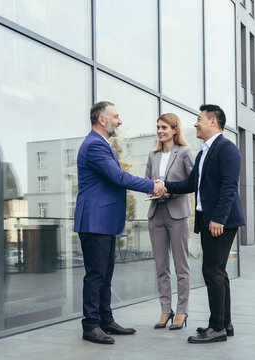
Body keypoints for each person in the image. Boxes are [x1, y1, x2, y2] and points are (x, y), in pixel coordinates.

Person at [74, 101, 166, 345]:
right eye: (116, 116)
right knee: (96, 276)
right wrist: (152, 185)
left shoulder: (101, 144)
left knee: (105, 275)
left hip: (103, 222)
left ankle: (105, 319)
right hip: (94, 222)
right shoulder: (94, 145)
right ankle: (91, 325)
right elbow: (118, 177)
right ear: (102, 120)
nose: (119, 121)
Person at [164, 104, 245, 344]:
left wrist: (218, 218)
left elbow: (229, 186)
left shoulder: (227, 149)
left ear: (212, 121)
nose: (195, 123)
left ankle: (217, 327)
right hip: (210, 220)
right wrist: (163, 185)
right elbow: (190, 184)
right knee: (218, 272)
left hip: (221, 221)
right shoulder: (203, 152)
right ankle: (224, 323)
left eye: (199, 119)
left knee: (212, 271)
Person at [145, 113, 194, 330]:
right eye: (158, 127)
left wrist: (170, 192)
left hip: (177, 214)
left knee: (181, 266)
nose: (160, 131)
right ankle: (166, 309)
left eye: (164, 127)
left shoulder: (184, 153)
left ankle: (182, 311)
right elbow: (147, 182)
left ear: (175, 129)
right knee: (161, 266)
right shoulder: (152, 155)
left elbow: (192, 183)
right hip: (156, 214)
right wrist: (152, 191)